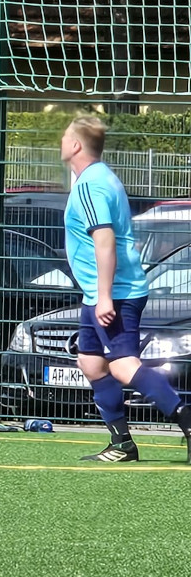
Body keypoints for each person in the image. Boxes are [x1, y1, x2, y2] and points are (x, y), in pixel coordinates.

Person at [60, 116, 191, 462]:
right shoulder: (97, 178)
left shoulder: (91, 185)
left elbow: (105, 241)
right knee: (90, 362)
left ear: (75, 145)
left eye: (64, 137)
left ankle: (185, 417)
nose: (60, 142)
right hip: (99, 291)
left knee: (121, 365)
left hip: (114, 292)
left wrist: (104, 296)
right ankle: (122, 444)